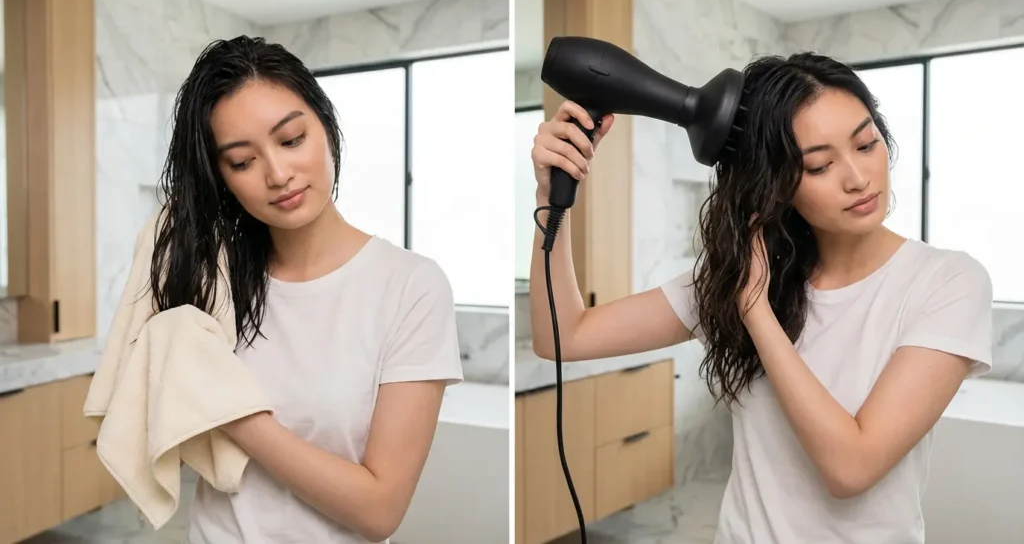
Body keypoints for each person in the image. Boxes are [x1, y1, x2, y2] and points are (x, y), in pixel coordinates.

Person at [528, 51, 992, 544]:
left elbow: (852, 468)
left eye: (866, 143)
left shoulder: (947, 282)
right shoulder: (740, 277)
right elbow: (563, 336)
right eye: (818, 166)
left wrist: (756, 311)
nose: (858, 178)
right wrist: (549, 199)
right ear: (775, 183)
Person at [148, 35, 463, 543]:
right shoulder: (215, 280)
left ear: (326, 126)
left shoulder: (411, 286)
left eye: (292, 140)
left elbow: (380, 510)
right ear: (221, 178)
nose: (278, 174)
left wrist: (232, 411)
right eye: (243, 162)